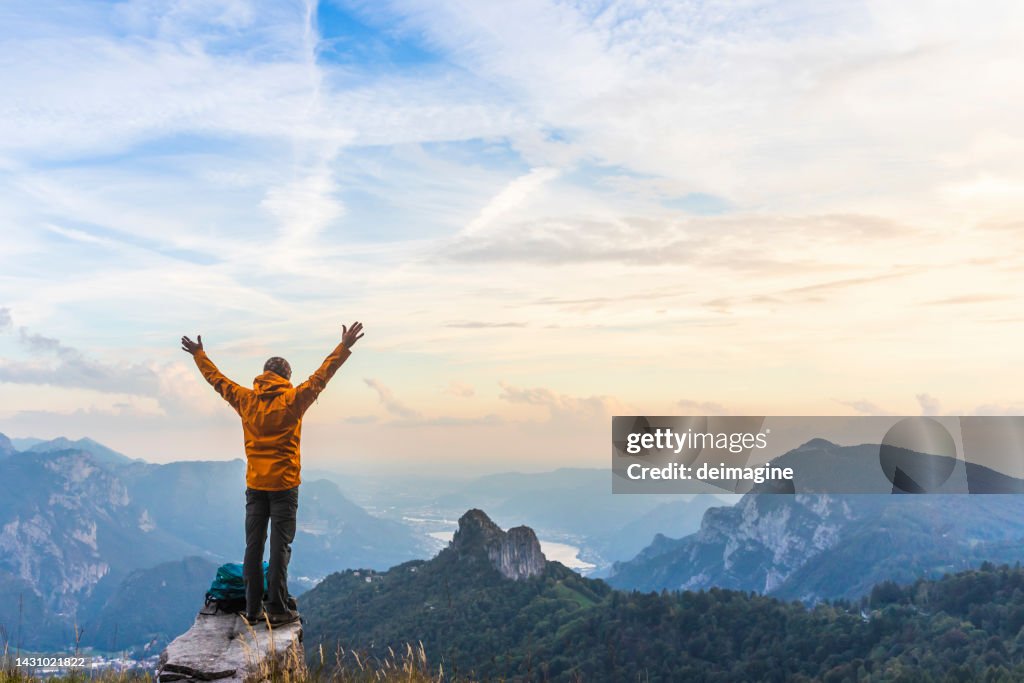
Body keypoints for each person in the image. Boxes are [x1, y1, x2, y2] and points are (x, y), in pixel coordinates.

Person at [180, 322, 364, 626]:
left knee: (253, 546)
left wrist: (199, 355)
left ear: (264, 375)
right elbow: (322, 375)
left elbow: (218, 381)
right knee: (280, 547)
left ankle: (252, 610)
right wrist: (343, 346)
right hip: (284, 486)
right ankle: (277, 608)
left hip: (255, 485)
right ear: (286, 378)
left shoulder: (246, 400)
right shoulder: (293, 400)